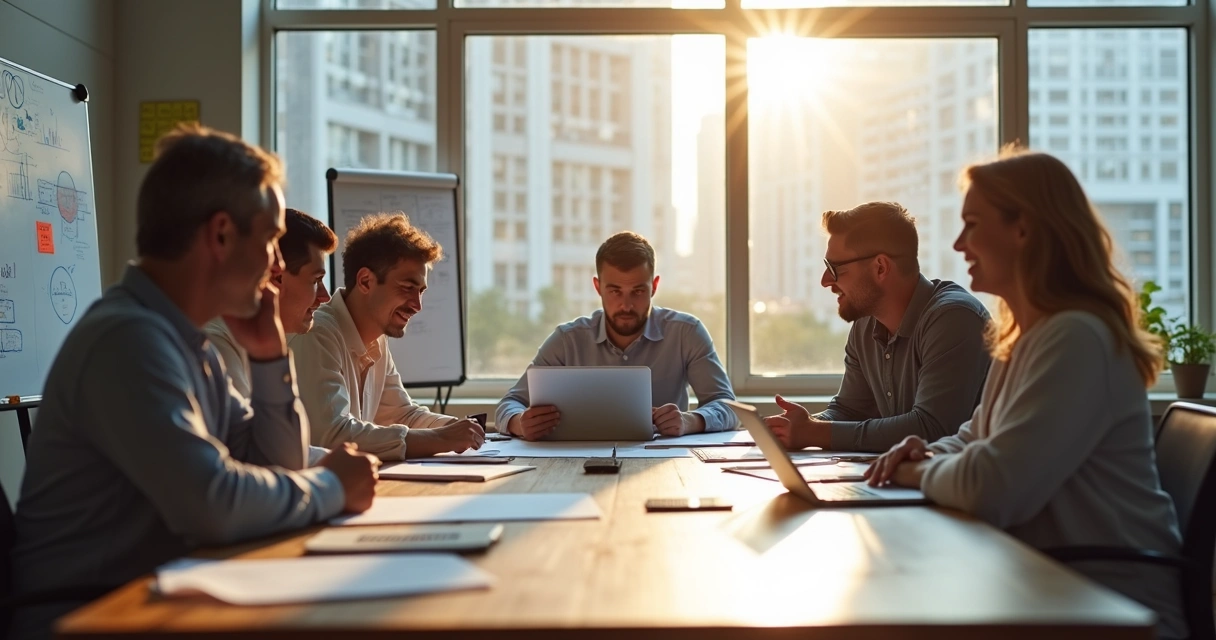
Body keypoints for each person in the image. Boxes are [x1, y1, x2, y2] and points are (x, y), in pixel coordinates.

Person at [8, 125, 379, 640]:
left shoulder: (182, 342)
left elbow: (276, 463)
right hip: (84, 617)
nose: (277, 265)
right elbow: (213, 503)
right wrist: (331, 486)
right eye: (272, 239)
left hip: (149, 600)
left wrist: (270, 358)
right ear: (222, 235)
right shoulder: (128, 340)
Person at [865, 148, 1186, 639]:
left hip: (1108, 603)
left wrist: (913, 469)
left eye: (973, 224)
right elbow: (973, 438)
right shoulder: (1028, 338)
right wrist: (927, 450)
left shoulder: (1077, 338)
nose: (959, 243)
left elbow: (991, 486)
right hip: (1046, 583)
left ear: (1023, 229)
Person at [765, 202, 990, 453]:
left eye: (834, 269)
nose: (825, 281)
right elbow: (849, 410)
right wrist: (797, 426)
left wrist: (815, 433)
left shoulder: (954, 318)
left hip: (967, 487)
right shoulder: (865, 323)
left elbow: (932, 428)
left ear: (880, 268)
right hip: (908, 482)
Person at [496, 231, 737, 440]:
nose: (626, 305)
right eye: (614, 291)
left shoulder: (686, 333)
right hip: (573, 463)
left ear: (654, 286)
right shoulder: (567, 340)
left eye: (638, 291)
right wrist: (519, 423)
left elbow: (729, 407)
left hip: (662, 463)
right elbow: (508, 405)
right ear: (597, 286)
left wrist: (689, 421)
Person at [290, 212, 484, 460]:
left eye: (421, 291)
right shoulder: (317, 333)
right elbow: (332, 435)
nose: (417, 305)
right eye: (407, 288)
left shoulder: (375, 339)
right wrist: (442, 438)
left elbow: (403, 415)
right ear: (366, 281)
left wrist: (463, 428)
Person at [206, 208, 336, 398]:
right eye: (316, 280)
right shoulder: (217, 345)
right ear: (277, 277)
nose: (325, 297)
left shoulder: (255, 342)